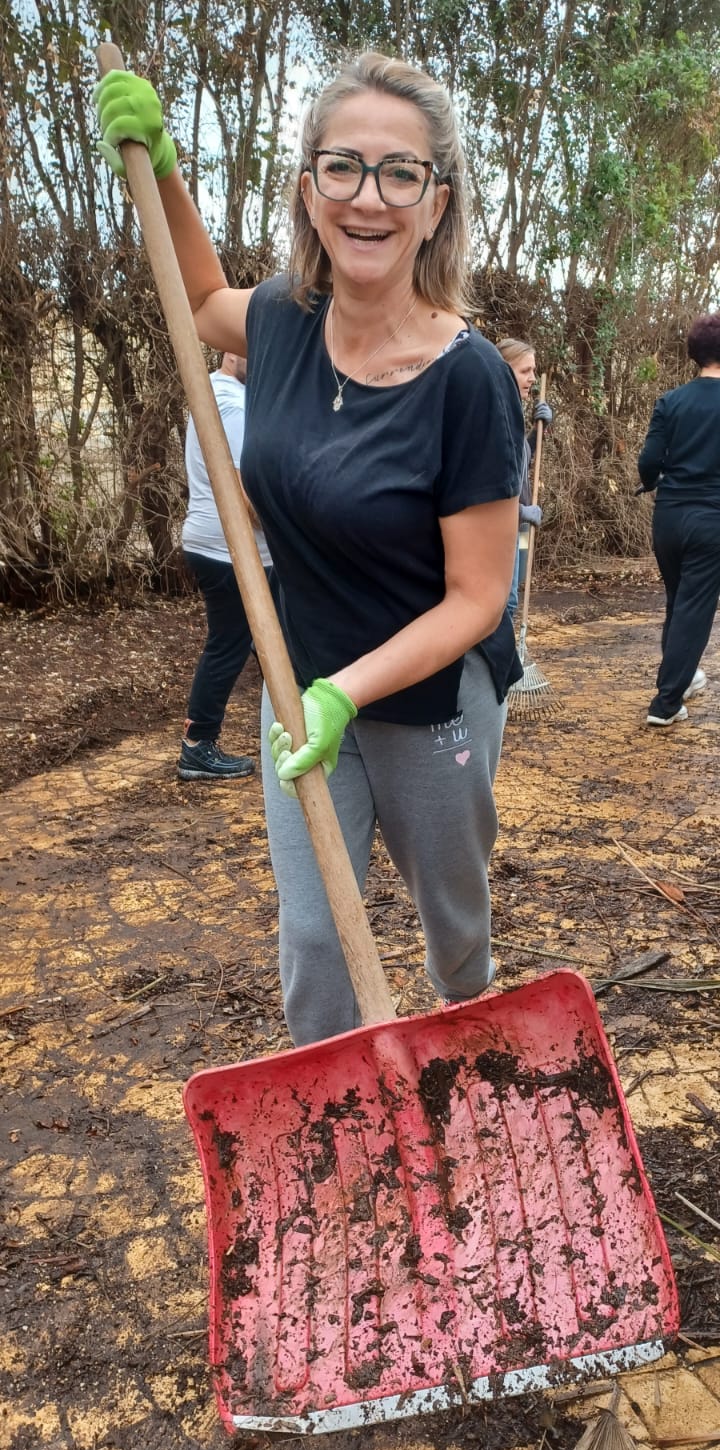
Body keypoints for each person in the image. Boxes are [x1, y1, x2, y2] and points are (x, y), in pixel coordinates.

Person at [95, 52, 525, 1046]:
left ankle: (472, 1056)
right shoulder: (283, 322)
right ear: (308, 188)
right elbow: (202, 302)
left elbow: (476, 599)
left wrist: (348, 693)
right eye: (343, 167)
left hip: (428, 707)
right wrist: (161, 164)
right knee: (317, 941)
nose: (367, 197)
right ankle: (332, 1112)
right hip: (299, 687)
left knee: (453, 928)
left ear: (436, 204)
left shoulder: (470, 382)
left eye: (399, 173)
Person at [179, 351, 271, 781]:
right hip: (227, 549)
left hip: (219, 544)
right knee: (229, 643)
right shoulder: (230, 405)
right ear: (232, 351)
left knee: (267, 641)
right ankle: (197, 745)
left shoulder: (219, 396)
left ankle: (294, 721)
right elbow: (243, 493)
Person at [638, 312, 720, 727]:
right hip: (712, 521)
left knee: (678, 601)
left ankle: (681, 679)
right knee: (695, 608)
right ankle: (666, 704)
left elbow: (648, 462)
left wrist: (651, 480)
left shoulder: (670, 401)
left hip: (668, 518)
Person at [497, 339, 553, 620]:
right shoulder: (495, 416)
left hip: (517, 527)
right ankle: (498, 663)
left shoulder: (512, 414)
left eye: (533, 371)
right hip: (499, 529)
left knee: (510, 600)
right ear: (504, 371)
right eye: (524, 371)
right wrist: (520, 511)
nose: (532, 377)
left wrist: (538, 431)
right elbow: (489, 484)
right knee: (502, 604)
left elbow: (520, 458)